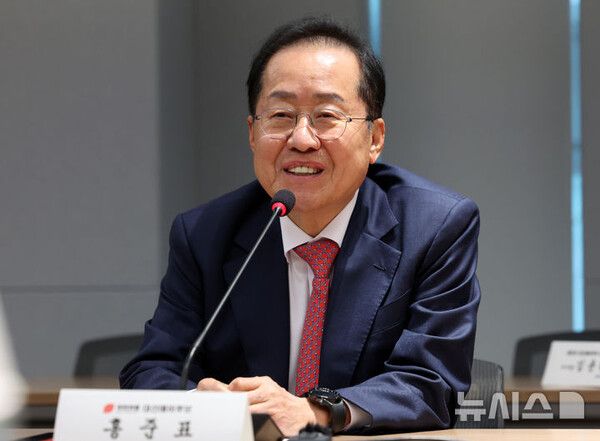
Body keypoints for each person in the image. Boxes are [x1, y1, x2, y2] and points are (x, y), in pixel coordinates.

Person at [120, 17, 481, 436]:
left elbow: (432, 382)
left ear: (375, 139)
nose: (302, 139)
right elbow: (154, 368)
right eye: (280, 115)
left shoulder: (434, 227)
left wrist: (317, 412)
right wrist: (199, 404)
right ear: (252, 133)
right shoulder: (204, 234)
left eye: (327, 115)